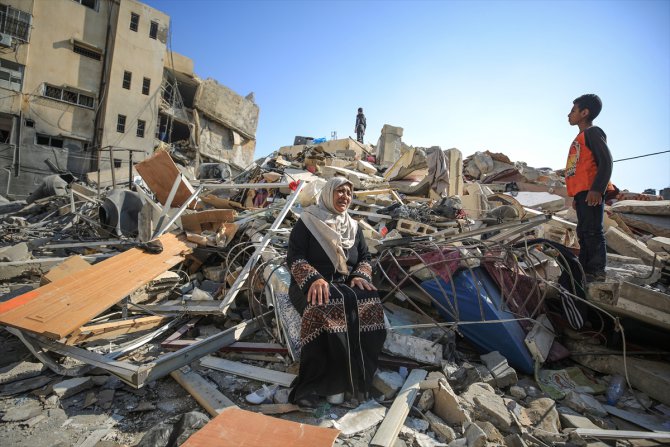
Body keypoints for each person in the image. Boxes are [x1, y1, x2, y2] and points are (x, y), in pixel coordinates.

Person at [286, 176, 386, 408]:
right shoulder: (308, 221)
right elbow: (295, 256)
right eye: (339, 191)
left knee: (370, 302)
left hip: (344, 285)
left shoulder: (353, 226)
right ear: (328, 194)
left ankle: (358, 382)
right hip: (309, 285)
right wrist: (313, 279)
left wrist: (361, 275)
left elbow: (365, 257)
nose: (345, 197)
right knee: (324, 305)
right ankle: (314, 386)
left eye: (349, 193)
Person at [565, 94, 613, 282]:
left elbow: (606, 162)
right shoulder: (580, 138)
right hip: (583, 193)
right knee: (583, 231)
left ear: (585, 113)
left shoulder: (593, 133)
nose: (568, 115)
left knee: (593, 230)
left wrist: (597, 189)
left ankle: (596, 270)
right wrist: (577, 196)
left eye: (573, 111)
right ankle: (585, 269)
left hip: (591, 191)